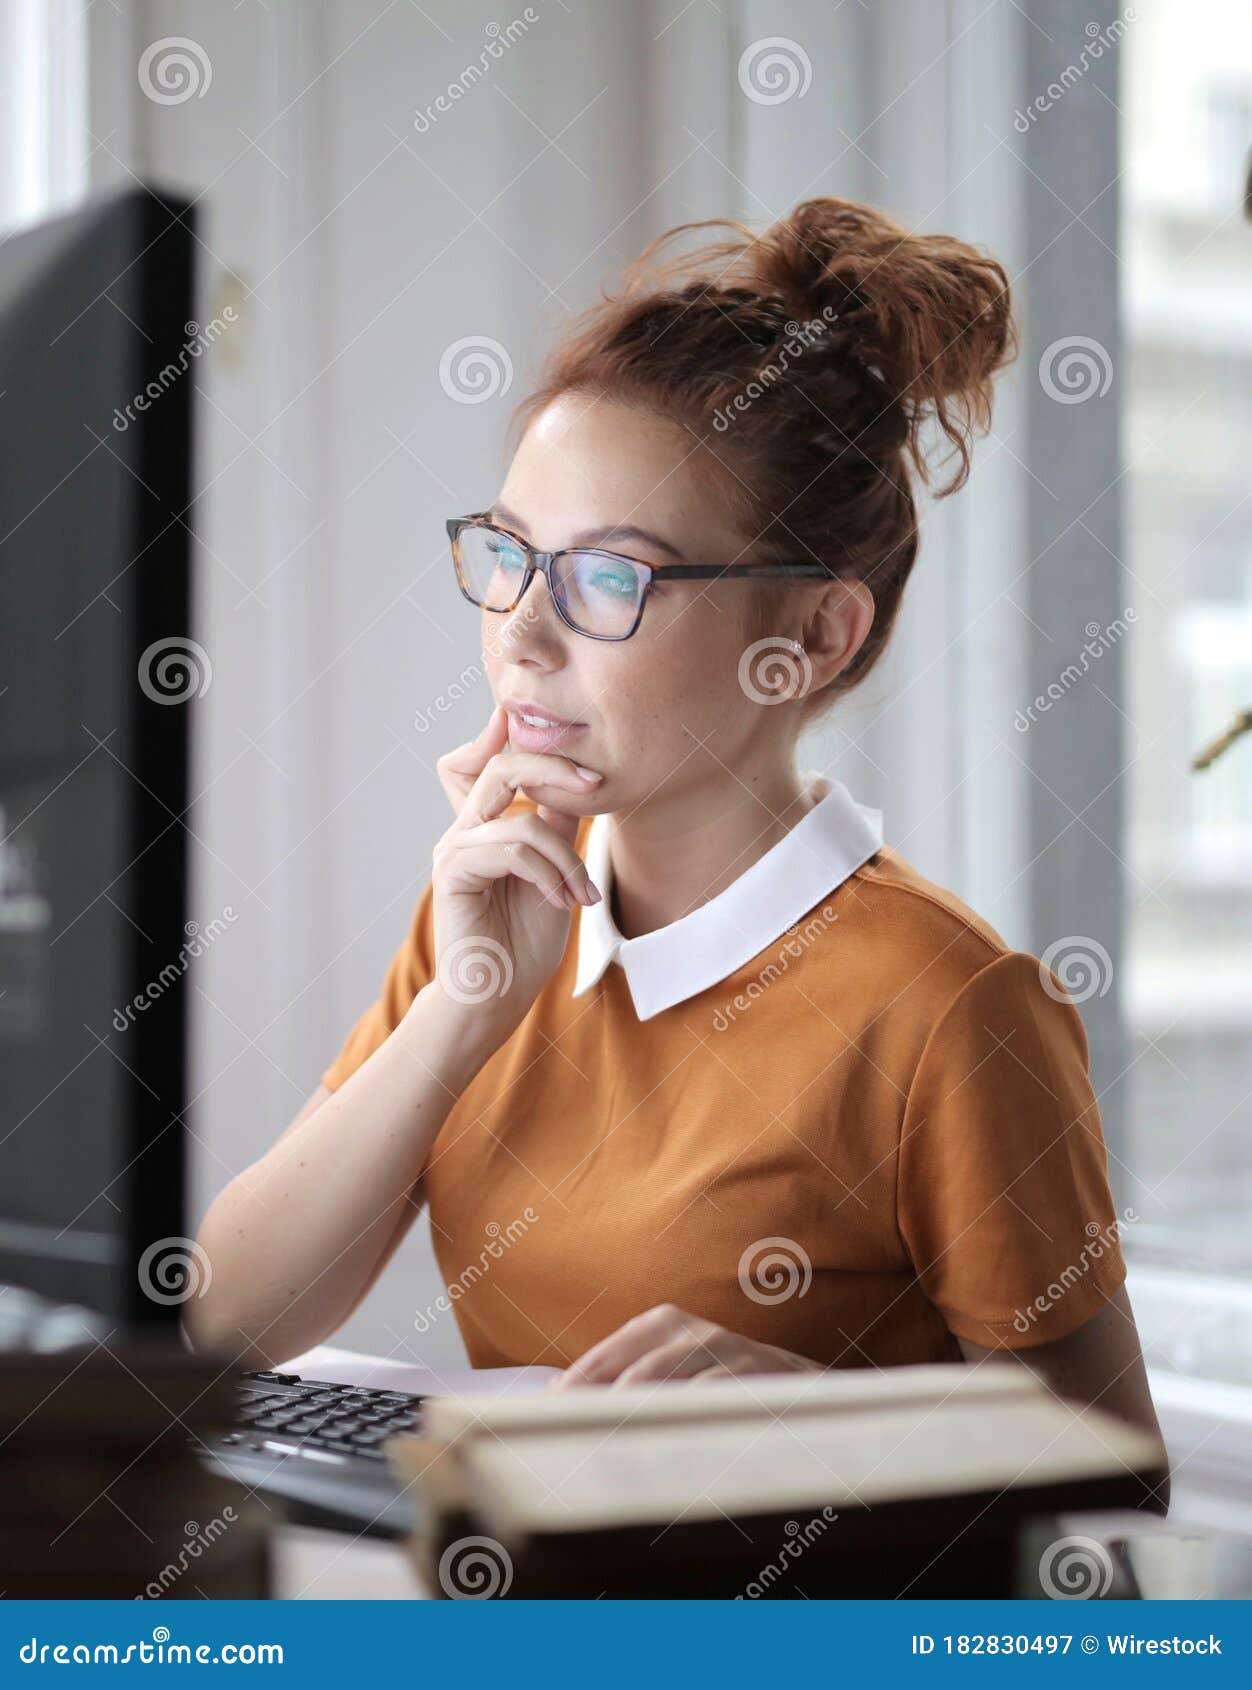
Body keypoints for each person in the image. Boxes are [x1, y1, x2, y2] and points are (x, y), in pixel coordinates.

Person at [188, 197, 1167, 1512]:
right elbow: (222, 1332)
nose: (522, 634)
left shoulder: (950, 1005)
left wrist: (822, 1432)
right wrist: (466, 1008)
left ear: (814, 636)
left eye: (606, 579)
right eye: (507, 557)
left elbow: (1112, 1511)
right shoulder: (493, 913)